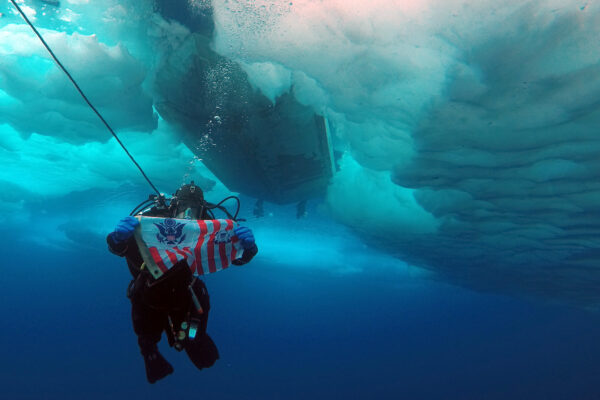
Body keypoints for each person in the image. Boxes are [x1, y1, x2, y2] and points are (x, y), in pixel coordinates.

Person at [107, 182, 258, 383]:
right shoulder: (153, 217)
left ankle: (191, 338)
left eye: (195, 209)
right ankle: (149, 350)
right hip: (149, 283)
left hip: (186, 286)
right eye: (185, 207)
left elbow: (234, 257)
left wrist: (247, 248)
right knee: (146, 323)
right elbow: (121, 249)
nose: (189, 213)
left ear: (202, 208)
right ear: (174, 204)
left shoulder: (207, 226)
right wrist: (117, 238)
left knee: (195, 327)